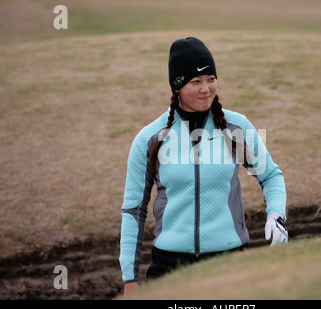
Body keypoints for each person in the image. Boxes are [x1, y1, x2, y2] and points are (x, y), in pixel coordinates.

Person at [119, 37, 288, 296]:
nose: (206, 88)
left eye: (211, 79)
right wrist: (130, 278)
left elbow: (271, 176)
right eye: (195, 81)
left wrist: (276, 214)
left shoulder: (236, 126)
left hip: (229, 262)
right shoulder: (150, 138)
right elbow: (134, 210)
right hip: (170, 267)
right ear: (177, 87)